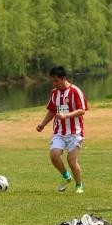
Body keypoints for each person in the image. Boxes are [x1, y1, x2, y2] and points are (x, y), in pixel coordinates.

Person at [34, 66, 88, 194]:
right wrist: (42, 124)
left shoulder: (75, 91)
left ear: (63, 78)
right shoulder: (54, 93)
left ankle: (79, 185)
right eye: (52, 81)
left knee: (71, 159)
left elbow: (82, 110)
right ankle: (66, 176)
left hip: (75, 132)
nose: (54, 84)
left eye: (56, 81)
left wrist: (66, 115)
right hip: (59, 132)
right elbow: (52, 111)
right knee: (54, 155)